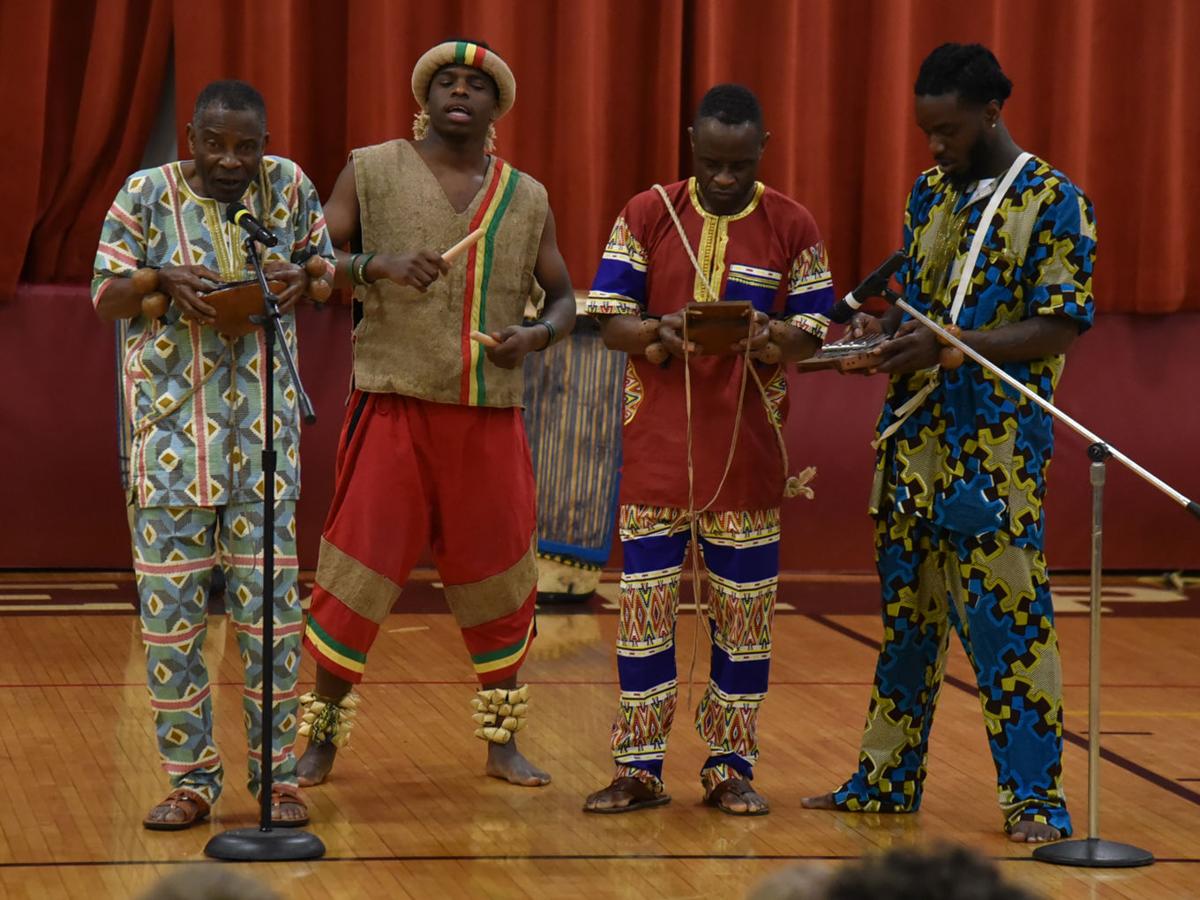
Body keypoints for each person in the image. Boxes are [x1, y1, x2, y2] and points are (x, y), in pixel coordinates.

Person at [802, 43, 1096, 843]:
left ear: (992, 111)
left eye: (948, 129)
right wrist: (879, 330)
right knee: (906, 626)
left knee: (1010, 628)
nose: (935, 146)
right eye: (926, 130)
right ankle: (885, 781)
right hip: (910, 445)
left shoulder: (1053, 199)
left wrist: (952, 346)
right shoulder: (930, 195)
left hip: (991, 457)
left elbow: (1058, 326)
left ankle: (1035, 799)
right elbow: (920, 310)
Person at [297, 39, 575, 789]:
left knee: (501, 582)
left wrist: (538, 335)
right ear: (424, 97)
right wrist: (372, 265)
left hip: (487, 415)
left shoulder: (527, 195)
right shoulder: (372, 167)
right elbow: (311, 260)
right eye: (446, 82)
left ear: (496, 107)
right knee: (353, 576)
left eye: (475, 86)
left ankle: (503, 744)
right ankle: (319, 742)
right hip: (393, 406)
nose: (460, 92)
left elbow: (565, 297)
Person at [582, 84, 834, 816]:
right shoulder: (647, 212)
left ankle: (730, 765)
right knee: (642, 623)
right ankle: (638, 767)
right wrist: (659, 334)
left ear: (764, 150)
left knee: (745, 623)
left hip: (748, 461)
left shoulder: (793, 223)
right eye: (711, 162)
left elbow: (811, 330)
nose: (724, 179)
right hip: (655, 457)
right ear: (691, 143)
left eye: (739, 165)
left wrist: (770, 337)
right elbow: (609, 321)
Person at [92, 79, 334, 829]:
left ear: (264, 142)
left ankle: (279, 781)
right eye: (216, 143)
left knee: (273, 623)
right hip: (167, 444)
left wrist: (305, 277)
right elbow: (103, 295)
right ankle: (191, 781)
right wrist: (160, 277)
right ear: (191, 136)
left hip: (265, 439)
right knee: (172, 625)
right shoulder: (145, 193)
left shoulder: (288, 186)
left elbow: (324, 269)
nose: (232, 160)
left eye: (247, 146)